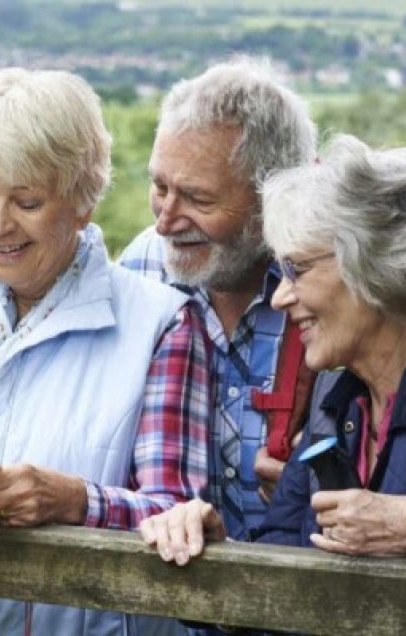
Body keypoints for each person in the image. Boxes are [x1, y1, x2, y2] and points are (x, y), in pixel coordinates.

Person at [0, 67, 210, 635]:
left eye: (27, 201)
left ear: (83, 200)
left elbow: (178, 518)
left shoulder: (161, 326)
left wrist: (77, 502)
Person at [140, 134, 406, 568]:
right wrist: (211, 550)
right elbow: (281, 556)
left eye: (299, 270)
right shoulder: (338, 403)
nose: (280, 297)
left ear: (378, 263)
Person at [119, 57, 317, 542]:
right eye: (159, 186)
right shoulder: (142, 265)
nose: (165, 221)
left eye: (198, 200)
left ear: (274, 197)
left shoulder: (331, 290)